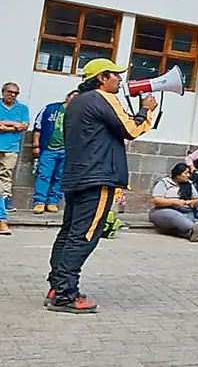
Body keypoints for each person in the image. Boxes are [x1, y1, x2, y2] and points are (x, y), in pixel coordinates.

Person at [46, 59, 156, 313]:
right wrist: (146, 109)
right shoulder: (102, 98)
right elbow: (131, 129)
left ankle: (57, 286)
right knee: (85, 236)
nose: (119, 79)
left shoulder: (76, 102)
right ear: (102, 78)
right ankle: (65, 295)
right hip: (98, 177)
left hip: (77, 176)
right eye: (115, 75)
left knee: (68, 234)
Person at [30, 90, 79, 214]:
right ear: (68, 96)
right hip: (48, 149)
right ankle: (39, 202)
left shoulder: (79, 113)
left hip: (67, 151)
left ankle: (52, 202)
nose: (75, 99)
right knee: (43, 175)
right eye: (74, 96)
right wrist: (35, 145)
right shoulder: (51, 109)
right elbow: (38, 127)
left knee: (61, 177)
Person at [0, 82, 30, 212]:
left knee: (6, 174)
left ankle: (5, 199)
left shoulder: (22, 108)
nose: (13, 95)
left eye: (16, 93)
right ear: (3, 92)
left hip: (11, 147)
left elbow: (24, 126)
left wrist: (4, 127)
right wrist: (13, 125)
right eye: (10, 92)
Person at [149, 163, 198, 241]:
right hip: (163, 210)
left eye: (189, 173)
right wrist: (174, 202)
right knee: (176, 216)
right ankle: (197, 229)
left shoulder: (189, 184)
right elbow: (156, 200)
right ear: (177, 175)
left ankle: (190, 233)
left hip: (185, 210)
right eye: (186, 173)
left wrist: (192, 203)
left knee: (185, 220)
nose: (188, 175)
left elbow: (197, 199)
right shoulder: (164, 183)